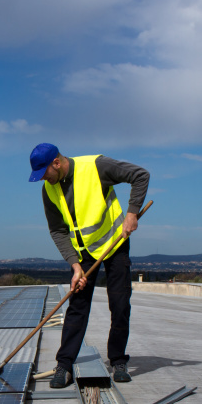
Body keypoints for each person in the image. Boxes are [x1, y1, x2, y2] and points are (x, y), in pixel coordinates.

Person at [28, 143, 149, 388]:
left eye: (45, 173)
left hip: (115, 246)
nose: (44, 179)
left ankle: (118, 361)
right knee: (77, 307)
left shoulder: (96, 166)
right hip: (83, 255)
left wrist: (132, 213)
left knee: (119, 304)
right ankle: (64, 364)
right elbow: (58, 230)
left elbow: (140, 175)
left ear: (57, 163)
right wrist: (75, 266)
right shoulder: (48, 190)